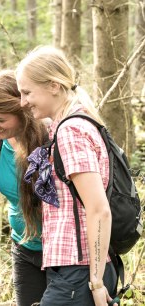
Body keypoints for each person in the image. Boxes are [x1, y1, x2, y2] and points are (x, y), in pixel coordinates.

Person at [15, 46, 118, 306]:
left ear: (53, 86)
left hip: (79, 270)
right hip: (71, 269)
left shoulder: (71, 131)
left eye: (27, 92)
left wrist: (95, 282)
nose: (23, 102)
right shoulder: (70, 123)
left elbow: (98, 209)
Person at [0, 70, 48, 306]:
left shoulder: (50, 140)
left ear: (23, 113)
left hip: (59, 252)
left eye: (0, 119)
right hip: (23, 247)